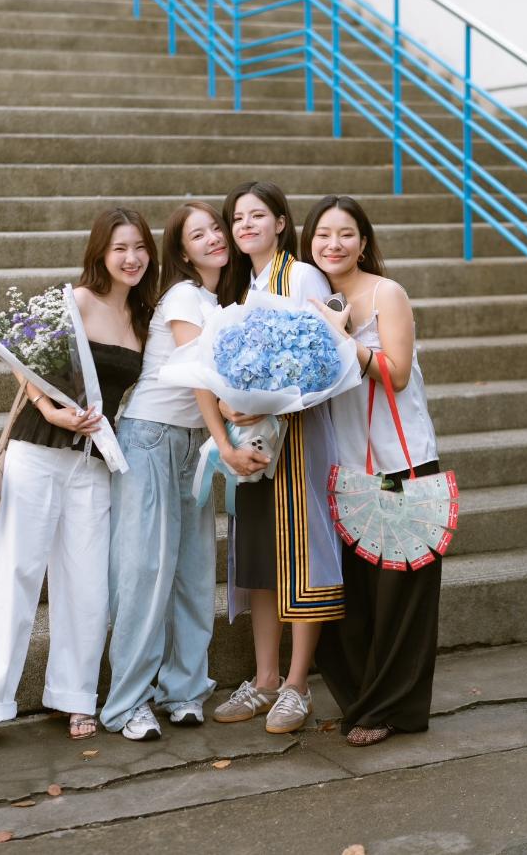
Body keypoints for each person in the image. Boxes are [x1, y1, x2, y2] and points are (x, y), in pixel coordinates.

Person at [0, 208, 158, 756]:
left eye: (140, 247)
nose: (131, 258)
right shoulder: (77, 300)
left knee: (87, 584)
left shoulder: (144, 319)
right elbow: (20, 354)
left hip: (93, 464)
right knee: (14, 575)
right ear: (100, 252)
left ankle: (75, 696)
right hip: (38, 454)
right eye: (120, 248)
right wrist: (49, 409)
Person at [101, 202, 268, 741]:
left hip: (194, 441)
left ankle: (185, 689)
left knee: (194, 570)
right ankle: (128, 703)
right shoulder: (182, 296)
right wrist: (227, 439)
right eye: (199, 235)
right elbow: (200, 375)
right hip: (151, 438)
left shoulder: (219, 302)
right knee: (145, 571)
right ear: (182, 251)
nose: (215, 238)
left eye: (217, 228)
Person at [301, 193, 440, 746]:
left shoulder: (387, 293)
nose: (333, 244)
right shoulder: (313, 298)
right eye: (323, 235)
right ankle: (364, 701)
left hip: (401, 461)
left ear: (363, 242)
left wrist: (340, 336)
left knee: (400, 600)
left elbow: (397, 373)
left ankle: (389, 709)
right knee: (353, 602)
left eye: (345, 234)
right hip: (346, 468)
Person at [212, 180, 344, 735]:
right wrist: (232, 403)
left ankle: (296, 685)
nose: (246, 225)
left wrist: (268, 402)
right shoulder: (245, 286)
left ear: (281, 223)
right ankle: (265, 679)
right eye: (237, 218)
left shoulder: (303, 276)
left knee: (301, 555)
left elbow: (325, 360)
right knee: (261, 560)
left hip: (298, 439)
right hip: (255, 442)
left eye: (257, 216)